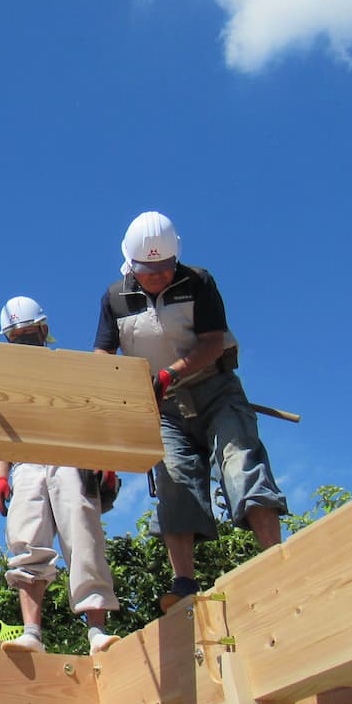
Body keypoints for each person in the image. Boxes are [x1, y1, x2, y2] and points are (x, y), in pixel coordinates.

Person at [94, 211, 287, 610]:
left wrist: (171, 373)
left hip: (214, 389)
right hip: (163, 409)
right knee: (173, 481)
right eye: (150, 270)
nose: (159, 276)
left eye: (166, 267)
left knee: (241, 462)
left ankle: (276, 560)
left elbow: (212, 342)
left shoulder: (198, 282)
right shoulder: (115, 298)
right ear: (131, 264)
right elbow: (102, 355)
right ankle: (184, 584)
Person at [0, 296, 121, 655]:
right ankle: (32, 633)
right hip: (26, 462)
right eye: (17, 337)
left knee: (83, 536)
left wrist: (105, 460)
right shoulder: (5, 381)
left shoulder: (69, 368)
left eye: (29, 333)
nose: (23, 341)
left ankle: (96, 633)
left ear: (44, 331)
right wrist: (1, 476)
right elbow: (0, 431)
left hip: (70, 456)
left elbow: (93, 416)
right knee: (26, 539)